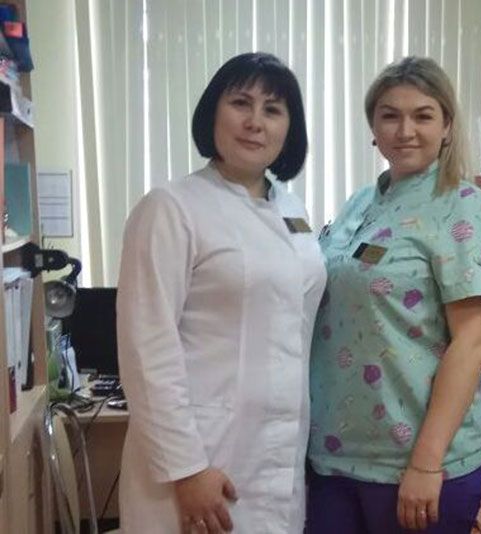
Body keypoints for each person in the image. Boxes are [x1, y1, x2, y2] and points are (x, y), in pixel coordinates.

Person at [116, 52, 325, 534]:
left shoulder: (292, 210)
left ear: (289, 128)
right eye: (240, 103)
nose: (255, 122)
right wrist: (186, 468)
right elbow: (147, 346)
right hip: (199, 457)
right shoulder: (171, 207)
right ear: (213, 112)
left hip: (277, 456)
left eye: (273, 110)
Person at [306, 56, 481, 534]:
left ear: (447, 126)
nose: (405, 130)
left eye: (423, 115)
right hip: (334, 454)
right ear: (373, 128)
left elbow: (474, 343)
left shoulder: (463, 207)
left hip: (418, 463)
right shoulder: (361, 202)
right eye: (390, 115)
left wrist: (426, 463)